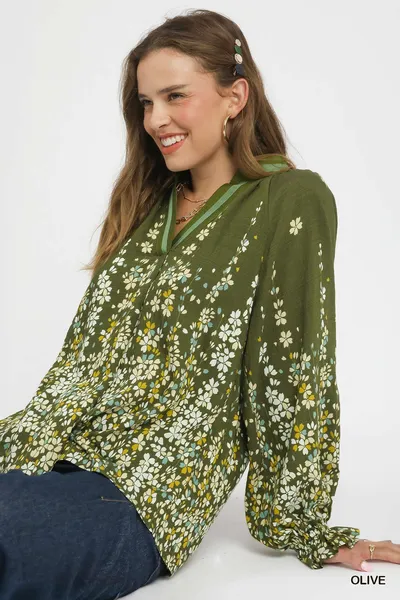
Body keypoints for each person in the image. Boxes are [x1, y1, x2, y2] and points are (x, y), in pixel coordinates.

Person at [1, 8, 399, 599]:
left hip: (141, 491)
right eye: (145, 103)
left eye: (175, 96)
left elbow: (293, 369)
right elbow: (86, 357)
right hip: (39, 449)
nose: (155, 119)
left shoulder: (289, 199)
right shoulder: (146, 205)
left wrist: (303, 525)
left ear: (234, 97)